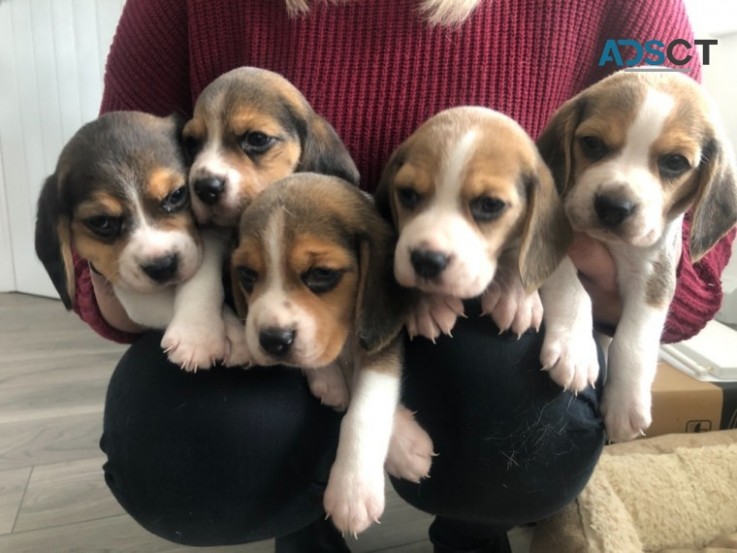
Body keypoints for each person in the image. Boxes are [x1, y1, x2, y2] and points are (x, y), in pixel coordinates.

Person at [70, 1, 734, 551]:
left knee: (524, 409)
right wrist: (133, 286)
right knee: (190, 444)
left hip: (486, 319)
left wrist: (542, 267)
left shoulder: (638, 27)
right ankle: (303, 521)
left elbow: (694, 243)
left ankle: (472, 523)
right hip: (263, 291)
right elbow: (109, 174)